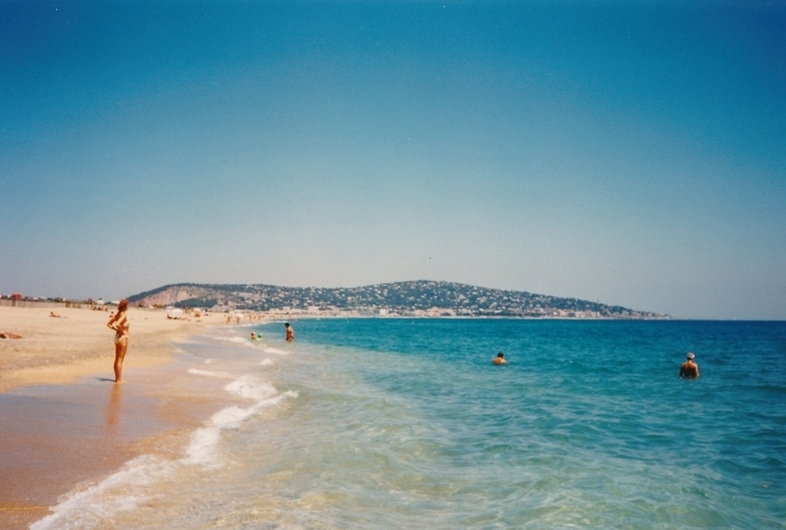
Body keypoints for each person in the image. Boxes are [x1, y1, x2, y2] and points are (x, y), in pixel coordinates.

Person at [107, 299, 130, 383]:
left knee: (117, 359)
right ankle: (119, 379)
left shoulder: (117, 314)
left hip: (117, 337)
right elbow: (117, 324)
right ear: (126, 306)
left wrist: (116, 330)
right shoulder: (123, 314)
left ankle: (117, 378)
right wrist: (121, 331)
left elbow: (109, 324)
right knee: (120, 359)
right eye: (128, 305)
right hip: (123, 338)